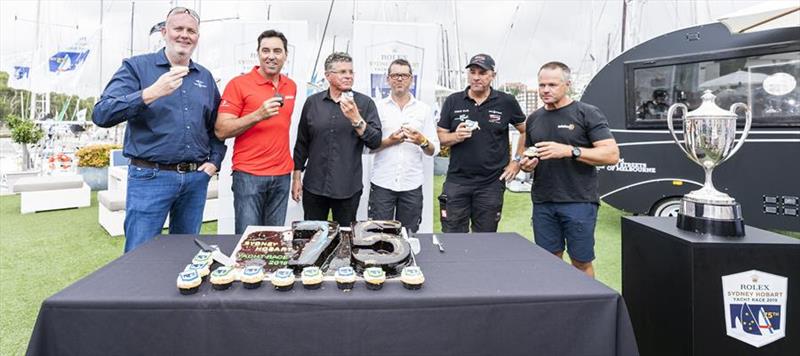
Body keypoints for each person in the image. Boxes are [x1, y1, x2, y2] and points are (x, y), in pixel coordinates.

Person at [93, 7, 225, 252]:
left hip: (195, 179)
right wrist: (150, 93)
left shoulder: (204, 77)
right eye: (178, 29)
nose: (184, 35)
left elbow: (216, 126)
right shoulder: (136, 67)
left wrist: (215, 161)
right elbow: (101, 113)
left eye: (191, 31)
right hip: (150, 178)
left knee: (185, 253)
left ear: (197, 37)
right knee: (139, 255)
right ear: (165, 32)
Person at [520, 61, 620, 278]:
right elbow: (530, 152)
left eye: (552, 85)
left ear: (567, 84)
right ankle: (556, 307)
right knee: (549, 260)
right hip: (543, 201)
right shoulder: (534, 118)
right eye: (542, 85)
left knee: (581, 262)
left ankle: (587, 309)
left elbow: (611, 155)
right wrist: (527, 164)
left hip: (578, 201)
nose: (545, 90)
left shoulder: (586, 113)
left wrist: (570, 151)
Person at [214, 30, 297, 233]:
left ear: (285, 55)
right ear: (258, 54)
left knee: (274, 241)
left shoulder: (291, 86)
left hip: (281, 175)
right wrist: (257, 115)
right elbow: (220, 130)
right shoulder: (238, 84)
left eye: (277, 51)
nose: (271, 56)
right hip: (249, 175)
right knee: (247, 241)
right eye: (265, 50)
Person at [436, 53, 526, 233]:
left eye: (482, 73)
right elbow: (441, 136)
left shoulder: (506, 101)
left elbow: (525, 130)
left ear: (492, 75)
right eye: (473, 72)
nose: (476, 77)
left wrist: (516, 162)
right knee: (453, 238)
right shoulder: (453, 101)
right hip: (457, 182)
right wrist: (456, 136)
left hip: (491, 183)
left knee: (486, 241)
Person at [292, 52, 382, 227]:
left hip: (348, 187)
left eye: (350, 71)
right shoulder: (312, 103)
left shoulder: (364, 104)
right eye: (342, 72)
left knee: (347, 239)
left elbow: (375, 141)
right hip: (314, 187)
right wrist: (296, 178)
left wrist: (356, 119)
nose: (348, 76)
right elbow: (302, 143)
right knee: (313, 238)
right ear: (328, 76)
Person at [369, 59, 439, 233]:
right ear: (388, 79)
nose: (399, 79)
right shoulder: (377, 108)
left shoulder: (423, 109)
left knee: (409, 236)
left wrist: (421, 140)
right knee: (379, 237)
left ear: (411, 79)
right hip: (382, 183)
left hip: (411, 184)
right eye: (395, 75)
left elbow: (434, 149)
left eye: (404, 75)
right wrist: (390, 141)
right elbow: (367, 147)